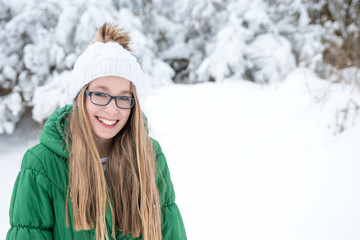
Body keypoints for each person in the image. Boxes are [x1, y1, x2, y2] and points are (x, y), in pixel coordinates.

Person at [6, 23, 186, 240]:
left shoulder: (148, 155)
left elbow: (170, 231)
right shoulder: (41, 166)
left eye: (123, 98)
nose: (112, 109)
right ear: (80, 97)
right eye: (101, 94)